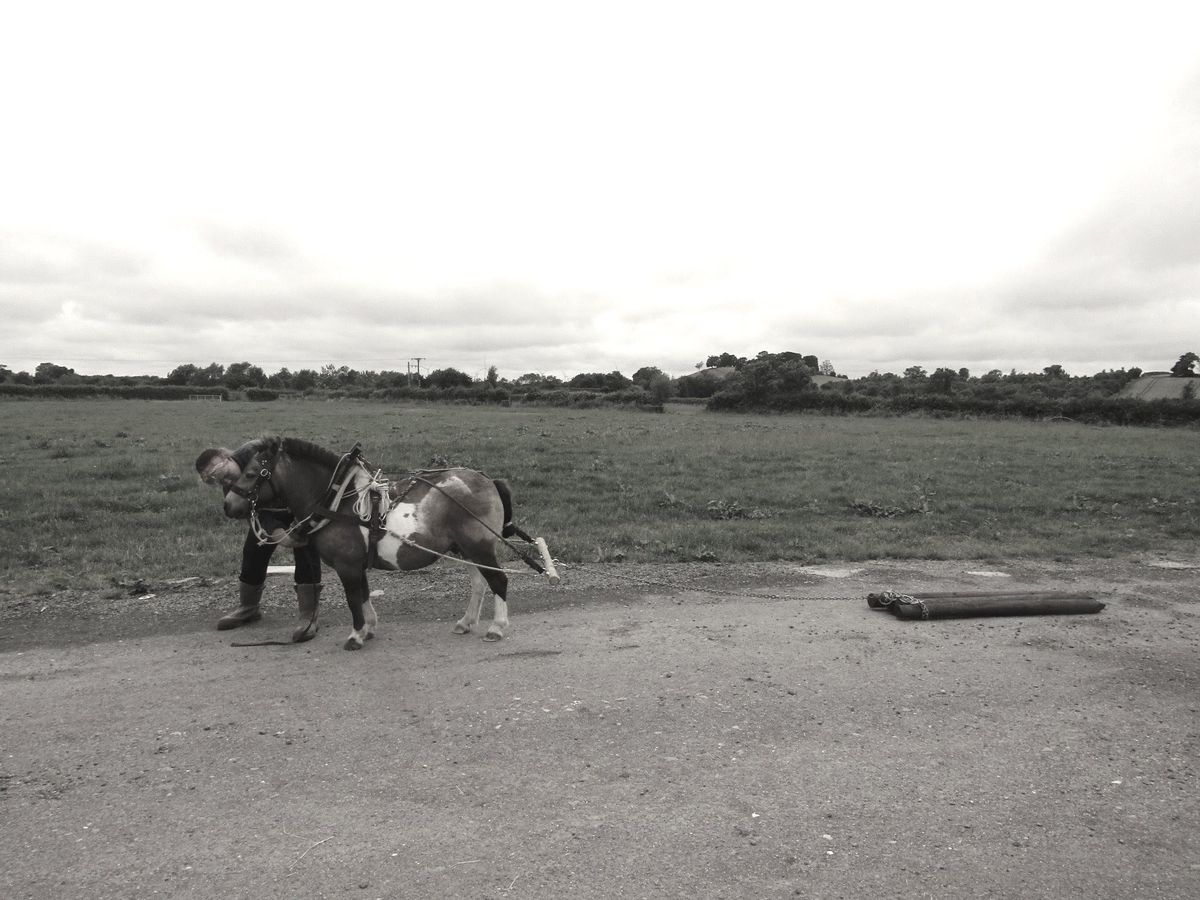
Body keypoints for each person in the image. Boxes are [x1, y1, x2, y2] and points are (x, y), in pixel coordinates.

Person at [195, 447, 322, 642]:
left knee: (306, 550)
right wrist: (280, 535)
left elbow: (298, 480)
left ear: (228, 458)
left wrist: (300, 523)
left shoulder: (263, 458)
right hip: (268, 516)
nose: (227, 482)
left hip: (300, 508)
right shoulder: (232, 488)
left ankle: (308, 615)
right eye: (219, 482)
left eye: (226, 475)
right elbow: (252, 515)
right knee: (253, 552)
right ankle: (249, 608)